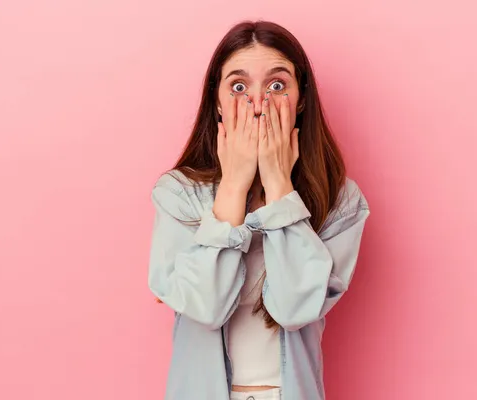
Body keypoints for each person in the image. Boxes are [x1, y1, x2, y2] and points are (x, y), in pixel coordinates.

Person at [148, 20, 370, 400]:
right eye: (238, 86)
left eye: (277, 85)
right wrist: (234, 186)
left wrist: (279, 186)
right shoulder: (179, 194)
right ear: (216, 101)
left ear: (300, 99)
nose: (258, 103)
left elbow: (296, 307)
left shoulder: (341, 202)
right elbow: (204, 306)